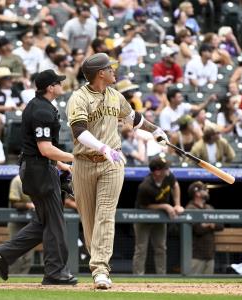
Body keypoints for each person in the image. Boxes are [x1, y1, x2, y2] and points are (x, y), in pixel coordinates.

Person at [66, 53, 169, 289]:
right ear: (100, 73)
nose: (114, 71)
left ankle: (100, 269)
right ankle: (98, 266)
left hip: (112, 162)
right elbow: (78, 130)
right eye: (110, 68)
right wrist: (101, 147)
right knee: (89, 220)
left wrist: (155, 131)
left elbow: (134, 118)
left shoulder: (116, 96)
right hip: (83, 161)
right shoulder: (78, 97)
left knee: (105, 214)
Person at [0, 69, 77, 285]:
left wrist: (63, 165)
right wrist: (77, 157)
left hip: (38, 168)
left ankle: (3, 253)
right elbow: (45, 149)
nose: (61, 85)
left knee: (43, 222)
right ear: (50, 87)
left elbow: (41, 152)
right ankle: (55, 272)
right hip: (39, 171)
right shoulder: (41, 111)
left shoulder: (40, 106)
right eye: (58, 82)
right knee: (55, 222)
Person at [132, 157, 183, 275]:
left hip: (160, 218)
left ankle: (161, 276)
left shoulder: (168, 176)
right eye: (165, 168)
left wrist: (177, 204)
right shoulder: (145, 186)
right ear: (157, 172)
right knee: (141, 249)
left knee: (161, 247)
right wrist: (165, 206)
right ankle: (138, 277)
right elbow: (144, 206)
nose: (168, 170)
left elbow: (175, 185)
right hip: (142, 218)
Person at [185, 181, 223, 274]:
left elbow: (220, 225)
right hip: (195, 255)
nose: (207, 191)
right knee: (193, 285)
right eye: (205, 189)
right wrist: (211, 224)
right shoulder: (190, 208)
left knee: (209, 286)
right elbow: (198, 229)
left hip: (210, 254)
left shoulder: (209, 208)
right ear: (197, 193)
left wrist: (207, 224)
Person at [7, 175, 35, 275]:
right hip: (16, 221)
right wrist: (28, 205)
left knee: (28, 257)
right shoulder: (17, 180)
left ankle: (23, 282)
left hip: (30, 222)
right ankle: (12, 280)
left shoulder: (38, 179)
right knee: (16, 254)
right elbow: (14, 202)